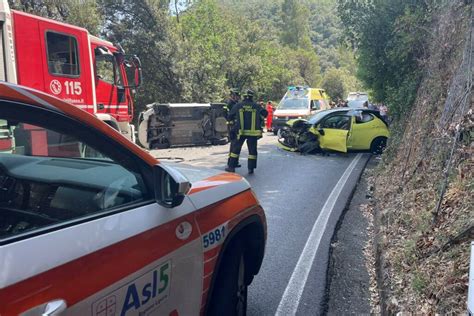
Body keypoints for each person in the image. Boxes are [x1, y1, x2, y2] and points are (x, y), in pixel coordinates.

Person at [226, 89, 267, 174]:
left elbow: (229, 116)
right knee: (252, 151)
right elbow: (265, 113)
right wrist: (260, 119)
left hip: (241, 132)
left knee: (235, 150)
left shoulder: (238, 105)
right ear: (252, 97)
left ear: (244, 97)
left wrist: (232, 125)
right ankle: (251, 169)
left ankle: (231, 167)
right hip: (253, 133)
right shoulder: (256, 106)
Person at [225, 88, 241, 168]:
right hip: (232, 126)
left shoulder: (236, 103)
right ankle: (230, 162)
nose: (238, 98)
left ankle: (235, 161)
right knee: (233, 144)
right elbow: (227, 115)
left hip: (236, 126)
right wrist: (231, 122)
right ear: (233, 96)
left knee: (236, 144)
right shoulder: (230, 104)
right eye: (236, 96)